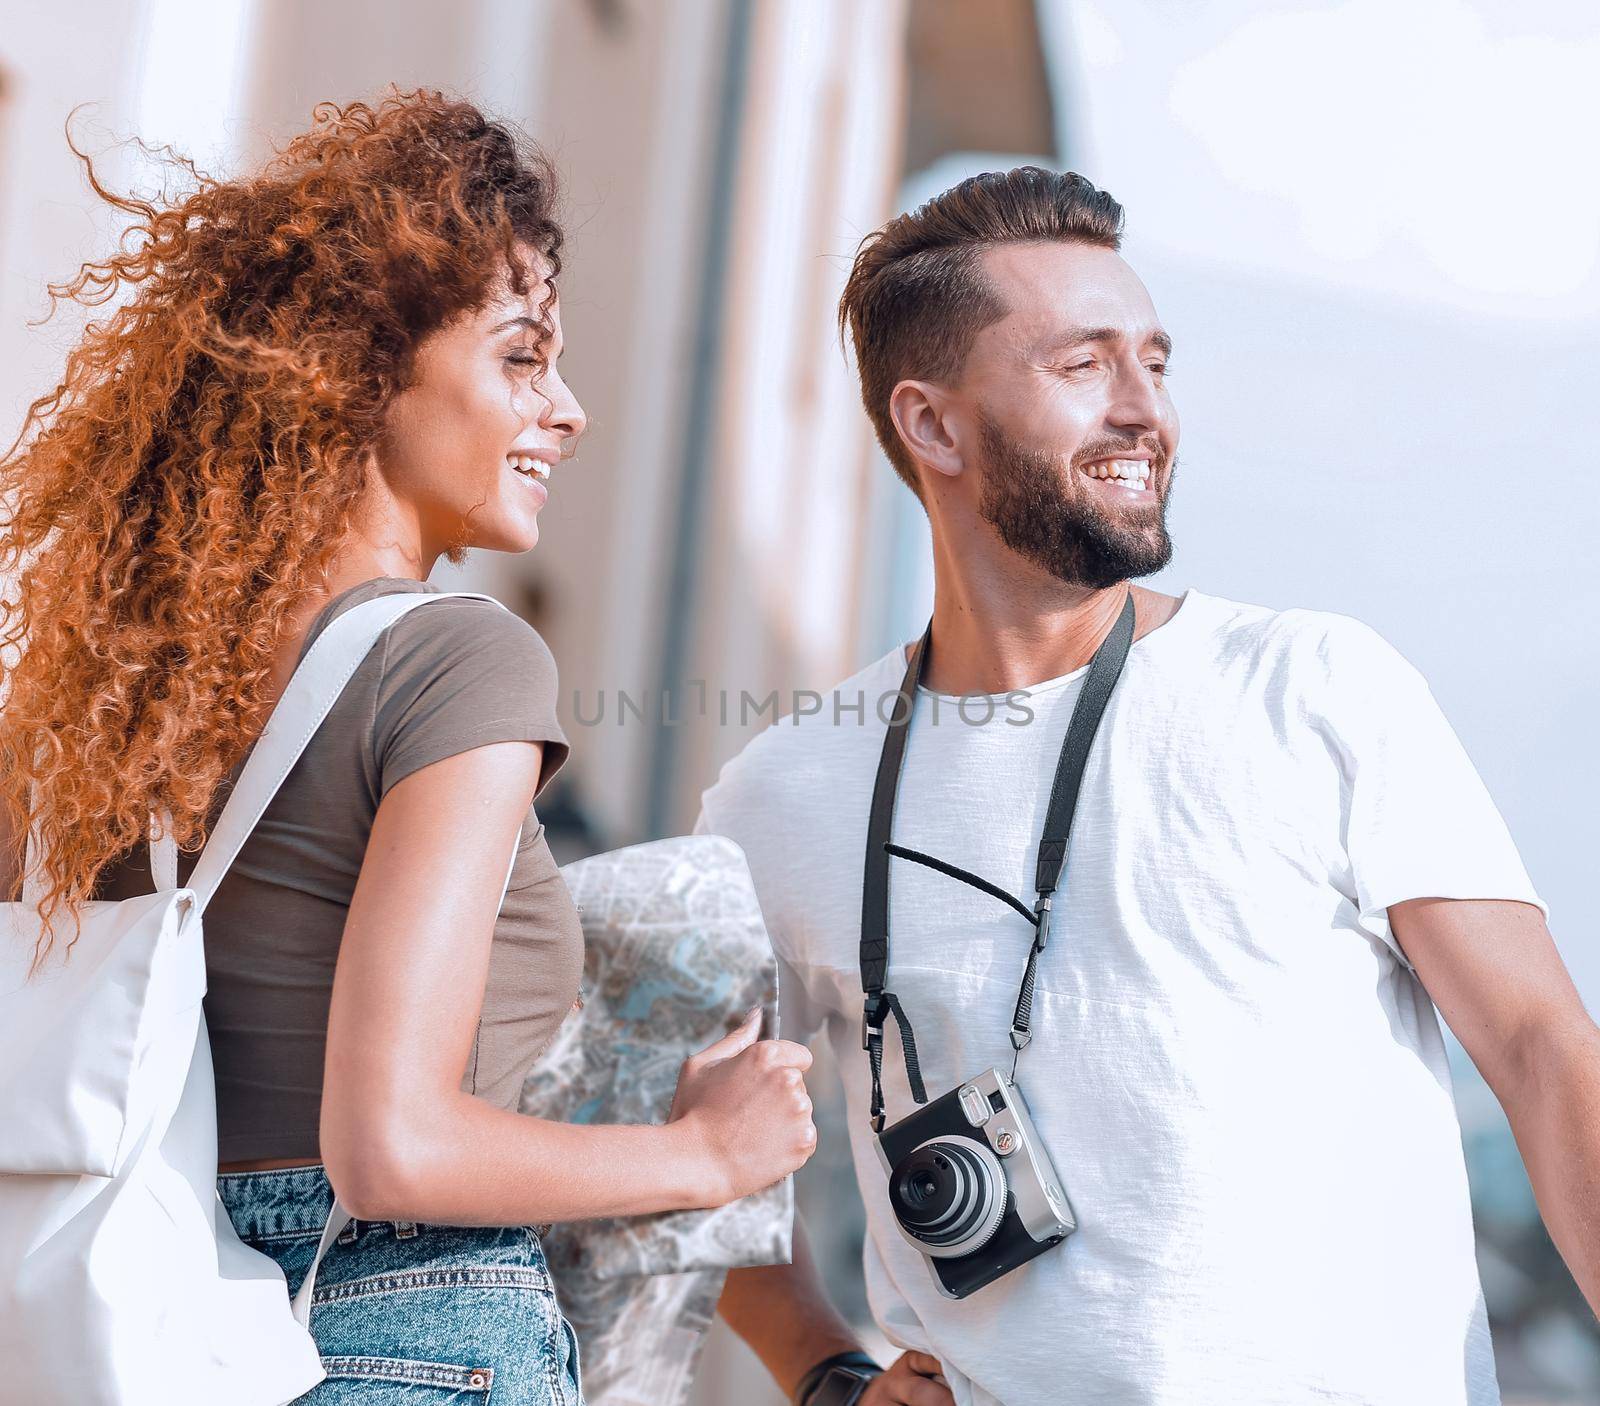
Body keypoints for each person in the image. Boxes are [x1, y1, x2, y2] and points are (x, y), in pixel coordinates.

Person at [699, 167, 1600, 1406]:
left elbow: (1544, 1049)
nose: (1145, 410)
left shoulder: (1314, 687)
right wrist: (825, 1369)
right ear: (933, 425)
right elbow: (665, 1133)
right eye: (1085, 366)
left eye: (1157, 363)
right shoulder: (782, 792)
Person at [0, 89, 815, 1403]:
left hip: (123, 1321)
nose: (571, 409)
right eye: (521, 358)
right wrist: (707, 1156)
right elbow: (395, 1146)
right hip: (405, 1328)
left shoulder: (107, 692)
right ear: (363, 370)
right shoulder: (456, 657)